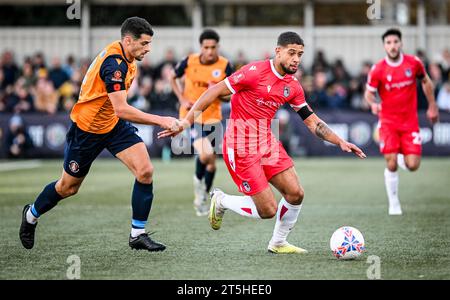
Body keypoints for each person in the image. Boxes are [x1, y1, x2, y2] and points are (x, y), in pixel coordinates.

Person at [159, 32, 365, 254]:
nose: (296, 59)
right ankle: (221, 200)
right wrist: (186, 122)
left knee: (296, 193)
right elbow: (213, 92)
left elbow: (313, 122)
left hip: (266, 142)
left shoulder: (293, 86)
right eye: (292, 53)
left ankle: (278, 243)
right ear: (278, 51)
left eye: (300, 54)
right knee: (267, 209)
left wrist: (340, 141)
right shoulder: (253, 71)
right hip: (239, 144)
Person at [19, 17, 181, 251]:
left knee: (145, 171)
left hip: (113, 126)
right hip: (87, 130)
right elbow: (122, 109)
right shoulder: (115, 64)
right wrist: (161, 120)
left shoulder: (129, 56)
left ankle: (137, 234)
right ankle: (31, 215)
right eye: (144, 43)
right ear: (128, 40)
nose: (148, 49)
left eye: (149, 43)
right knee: (68, 188)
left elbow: (116, 110)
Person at [364, 28, 439, 215]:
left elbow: (426, 81)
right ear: (384, 46)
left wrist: (432, 106)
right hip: (388, 122)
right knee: (390, 164)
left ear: (401, 43)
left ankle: (398, 155)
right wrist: (373, 104)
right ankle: (394, 204)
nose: (393, 46)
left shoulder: (414, 63)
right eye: (389, 43)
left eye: (395, 42)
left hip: (409, 122)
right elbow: (369, 93)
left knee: (413, 165)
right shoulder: (378, 69)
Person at [170, 29, 233, 216]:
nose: (210, 51)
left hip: (214, 118)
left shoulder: (225, 65)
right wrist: (181, 98)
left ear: (218, 47)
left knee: (212, 164)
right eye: (206, 47)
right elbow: (172, 77)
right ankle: (200, 194)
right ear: (201, 47)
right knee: (205, 155)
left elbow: (230, 96)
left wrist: (219, 92)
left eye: (213, 47)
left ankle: (203, 194)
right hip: (191, 116)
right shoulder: (189, 61)